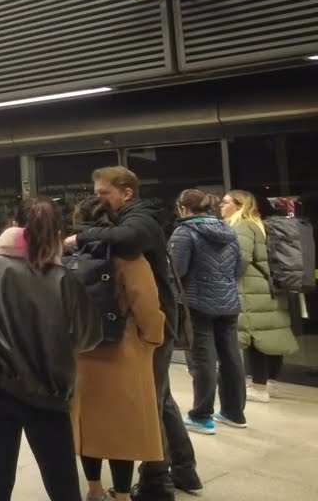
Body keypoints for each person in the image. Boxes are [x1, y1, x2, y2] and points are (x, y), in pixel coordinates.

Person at [0, 197, 101, 501]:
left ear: (14, 225)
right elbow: (89, 336)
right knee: (63, 484)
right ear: (57, 233)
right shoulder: (64, 279)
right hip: (49, 396)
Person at [67, 166, 201, 499]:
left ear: (127, 193)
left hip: (148, 326)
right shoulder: (133, 220)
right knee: (160, 399)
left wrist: (80, 237)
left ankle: (158, 481)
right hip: (148, 325)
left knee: (149, 404)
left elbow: (128, 242)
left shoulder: (140, 219)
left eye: (103, 193)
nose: (98, 198)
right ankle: (182, 469)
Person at [72, 198, 166, 501]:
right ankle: (123, 494)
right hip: (122, 349)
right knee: (121, 427)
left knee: (88, 424)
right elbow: (147, 306)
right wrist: (152, 339)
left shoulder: (69, 255)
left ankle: (94, 488)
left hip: (81, 350)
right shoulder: (129, 257)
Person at [170, 188, 247, 434]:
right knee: (231, 357)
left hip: (197, 303)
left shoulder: (184, 231)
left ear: (183, 208)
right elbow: (239, 267)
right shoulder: (229, 231)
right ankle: (234, 412)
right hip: (229, 302)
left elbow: (177, 270)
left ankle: (201, 415)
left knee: (203, 359)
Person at [222, 190, 298, 403]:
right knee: (271, 334)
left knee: (254, 336)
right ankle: (270, 381)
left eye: (226, 202)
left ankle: (259, 386)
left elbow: (241, 259)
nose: (221, 205)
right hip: (266, 288)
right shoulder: (259, 224)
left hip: (251, 289)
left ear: (239, 205)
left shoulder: (242, 226)